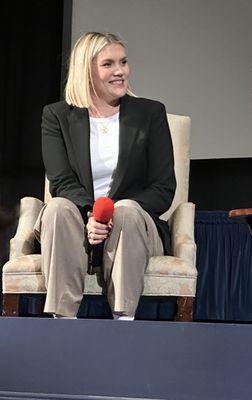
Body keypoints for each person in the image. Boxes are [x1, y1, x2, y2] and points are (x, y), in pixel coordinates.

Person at [36, 32, 176, 320]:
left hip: (132, 226)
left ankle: (123, 321)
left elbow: (162, 189)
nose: (120, 71)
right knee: (57, 209)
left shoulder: (150, 113)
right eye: (108, 64)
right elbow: (61, 182)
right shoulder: (57, 116)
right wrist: (92, 215)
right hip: (76, 223)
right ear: (86, 71)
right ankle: (62, 323)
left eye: (123, 62)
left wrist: (110, 214)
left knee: (125, 210)